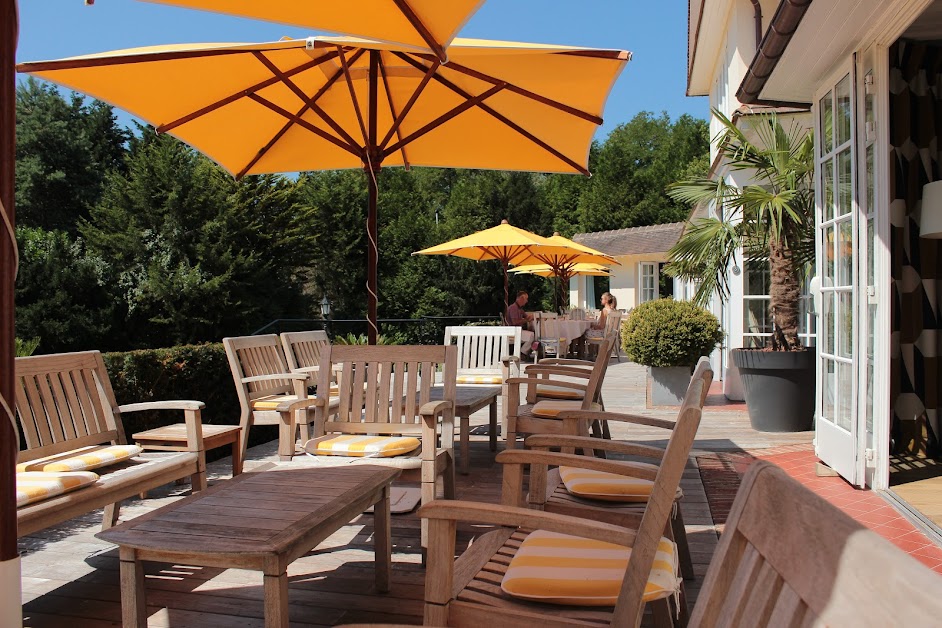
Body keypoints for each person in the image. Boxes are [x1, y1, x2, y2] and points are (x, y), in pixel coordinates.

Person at [507, 290, 540, 355]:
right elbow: (515, 322)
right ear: (521, 298)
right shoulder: (513, 308)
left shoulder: (519, 308)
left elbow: (526, 317)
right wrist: (526, 320)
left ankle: (523, 352)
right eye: (526, 299)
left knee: (532, 334)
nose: (527, 301)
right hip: (512, 332)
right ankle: (522, 353)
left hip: (516, 331)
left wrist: (532, 317)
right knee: (532, 335)